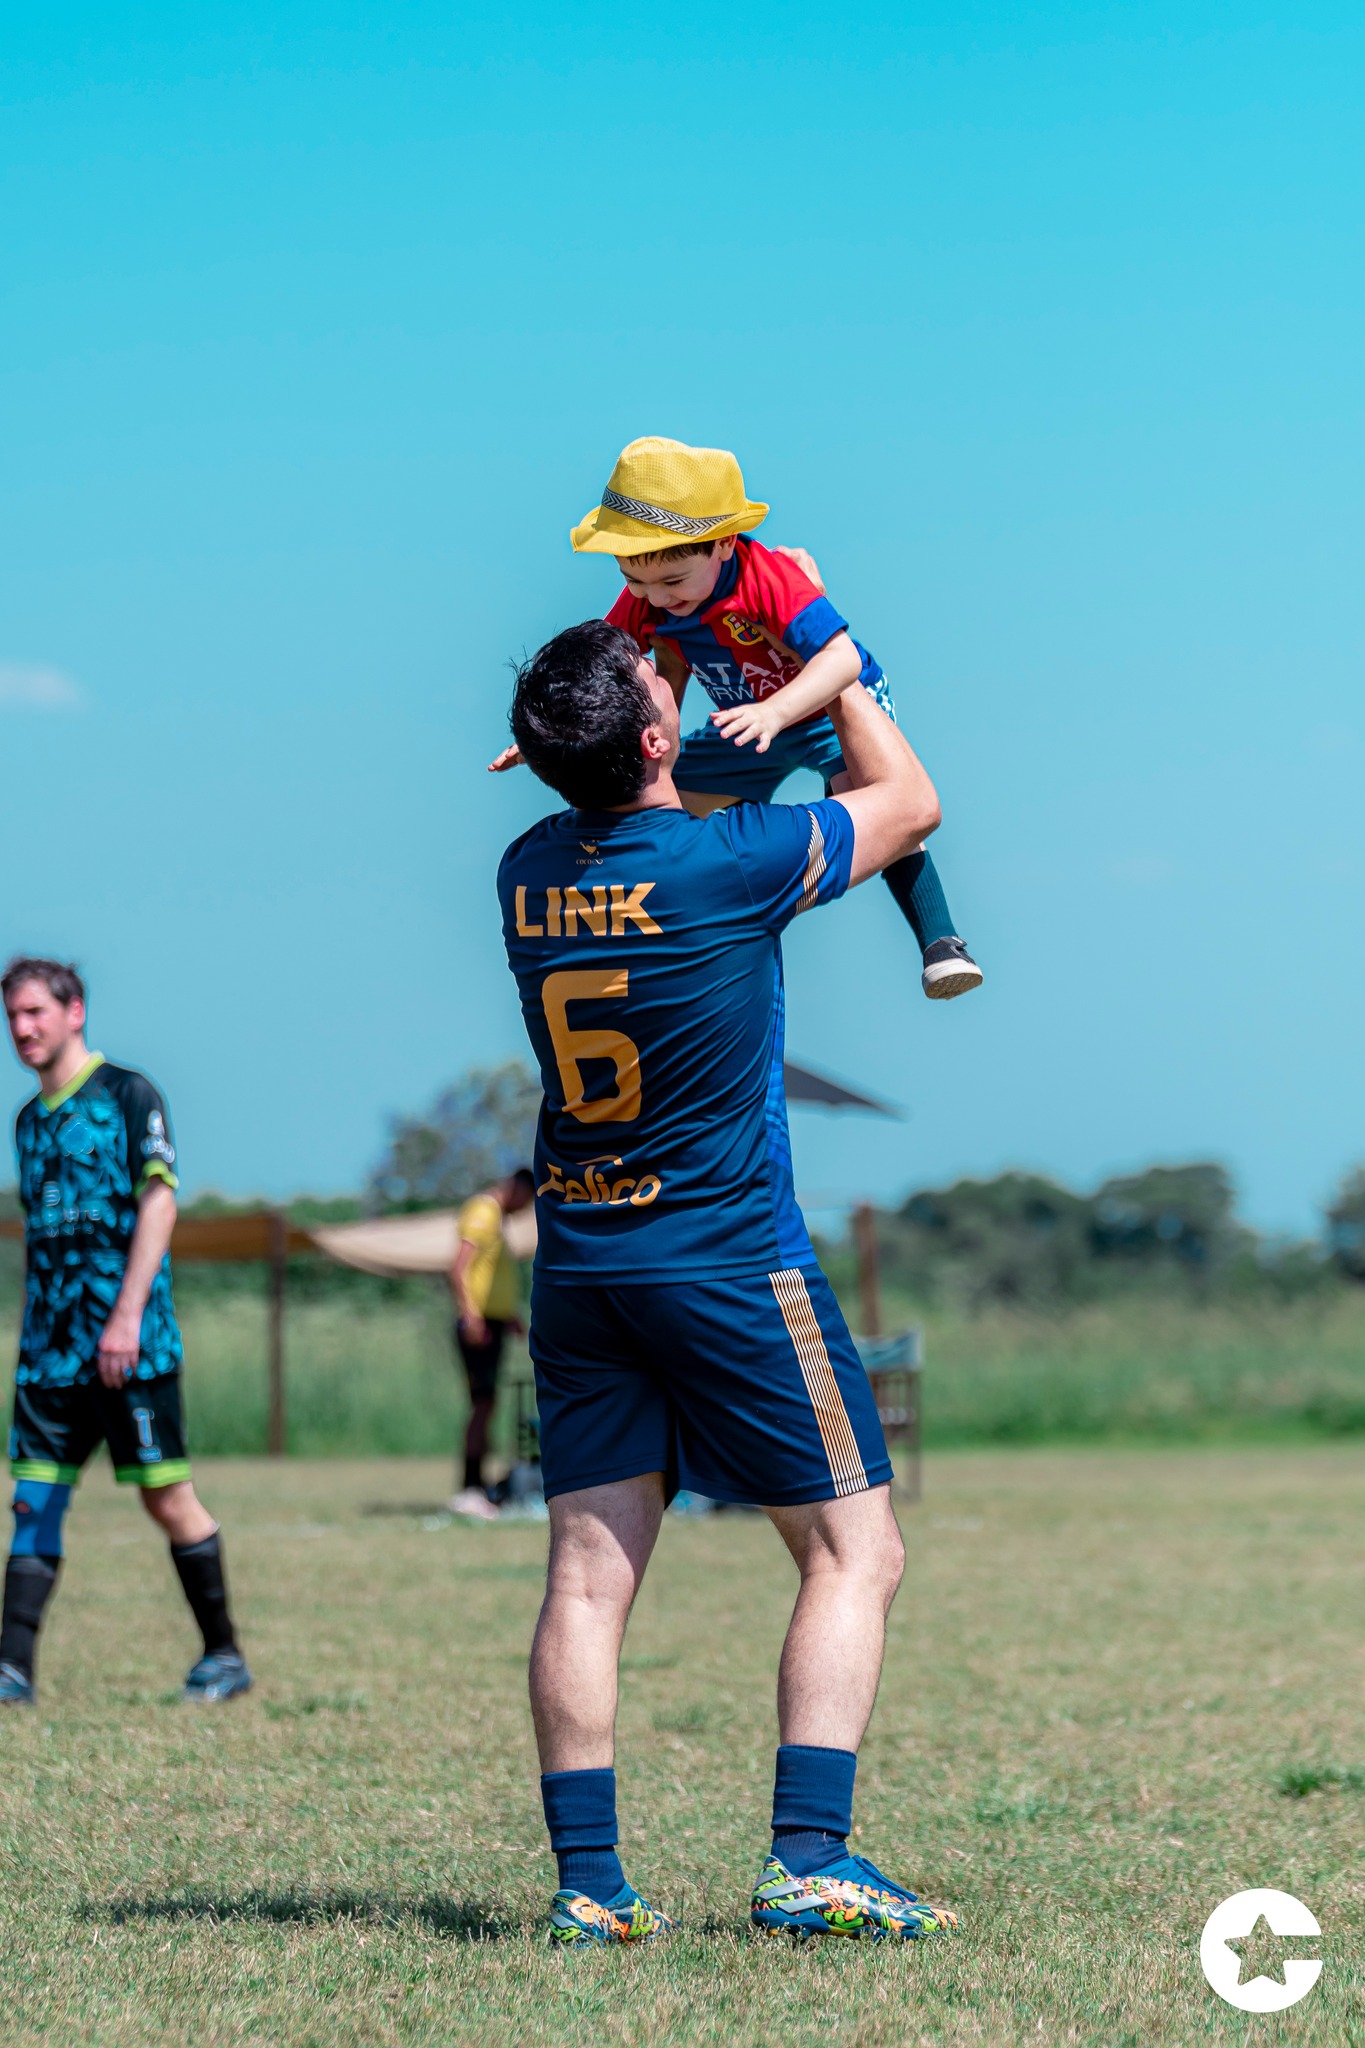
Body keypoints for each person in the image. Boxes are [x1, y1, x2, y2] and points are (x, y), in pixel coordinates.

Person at [496, 618, 960, 1945]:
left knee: (587, 1577)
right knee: (857, 1549)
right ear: (656, 738)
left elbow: (628, 788)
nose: (672, 672)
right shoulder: (728, 861)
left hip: (583, 1262)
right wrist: (833, 659)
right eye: (661, 678)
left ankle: (592, 1889)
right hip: (730, 1261)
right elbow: (910, 801)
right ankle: (809, 1858)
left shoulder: (526, 869)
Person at [493, 435, 982, 1002]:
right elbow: (604, 676)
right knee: (663, 808)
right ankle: (667, 933)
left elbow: (842, 659)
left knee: (865, 795)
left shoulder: (764, 578)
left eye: (672, 581)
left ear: (723, 544)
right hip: (746, 721)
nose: (655, 597)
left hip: (817, 712)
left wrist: (778, 710)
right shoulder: (652, 598)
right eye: (634, 580)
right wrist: (559, 733)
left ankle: (941, 941)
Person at [0, 958, 250, 1705]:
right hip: (49, 1352)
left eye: (35, 1012)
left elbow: (159, 1204)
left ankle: (224, 1657)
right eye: (13, 1016)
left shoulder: (128, 1095)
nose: (22, 1028)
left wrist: (128, 1316)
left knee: (165, 1498)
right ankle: (12, 1671)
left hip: (130, 1345)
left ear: (75, 1011)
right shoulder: (26, 1121)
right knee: (33, 1499)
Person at [448, 1167, 535, 1519]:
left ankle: (481, 1485)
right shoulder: (484, 1211)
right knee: (482, 1405)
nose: (524, 1208)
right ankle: (469, 1488)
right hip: (479, 1324)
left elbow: (488, 1273)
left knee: (489, 1404)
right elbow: (459, 1267)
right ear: (515, 1188)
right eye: (525, 1200)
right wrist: (471, 1316)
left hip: (493, 1322)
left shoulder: (498, 1219)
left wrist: (508, 1313)